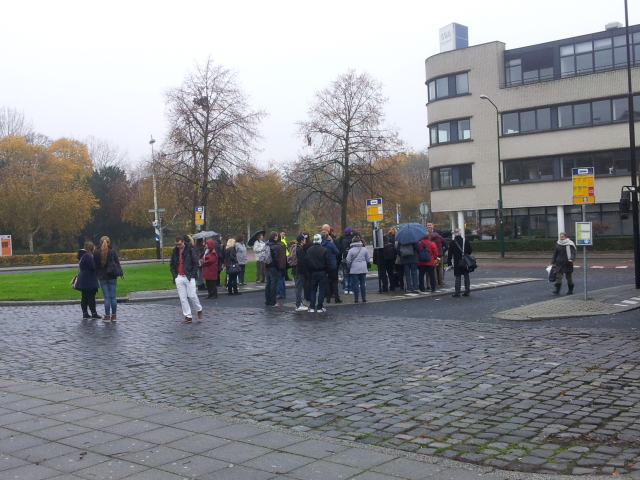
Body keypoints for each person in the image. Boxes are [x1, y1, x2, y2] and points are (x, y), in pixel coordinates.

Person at [170, 235, 203, 323]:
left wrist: (191, 274)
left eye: (179, 244)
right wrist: (175, 275)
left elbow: (196, 263)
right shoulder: (175, 252)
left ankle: (199, 309)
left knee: (192, 295)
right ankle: (188, 316)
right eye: (176, 244)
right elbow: (172, 264)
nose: (178, 246)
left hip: (188, 276)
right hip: (179, 276)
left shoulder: (190, 250)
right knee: (183, 298)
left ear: (183, 242)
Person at [93, 236, 124, 322]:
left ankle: (107, 316)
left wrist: (96, 275)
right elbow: (117, 263)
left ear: (100, 242)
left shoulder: (96, 252)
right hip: (112, 276)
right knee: (113, 297)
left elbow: (95, 266)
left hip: (102, 277)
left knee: (106, 297)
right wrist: (121, 273)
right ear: (109, 242)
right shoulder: (112, 251)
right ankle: (114, 316)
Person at [306, 233, 331, 313]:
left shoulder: (309, 250)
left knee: (313, 290)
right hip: (322, 272)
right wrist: (328, 271)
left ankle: (312, 307)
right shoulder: (324, 250)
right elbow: (328, 262)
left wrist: (309, 271)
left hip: (313, 272)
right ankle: (320, 307)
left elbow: (307, 262)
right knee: (321, 290)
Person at [76, 243, 101, 320]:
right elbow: (93, 267)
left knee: (84, 297)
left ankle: (85, 313)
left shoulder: (83, 256)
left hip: (83, 278)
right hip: (89, 278)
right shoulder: (88, 256)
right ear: (91, 249)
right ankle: (94, 313)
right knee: (91, 297)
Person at [345, 234, 371, 303]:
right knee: (363, 283)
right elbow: (368, 259)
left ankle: (356, 299)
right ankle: (364, 298)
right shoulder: (364, 249)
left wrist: (349, 265)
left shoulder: (351, 250)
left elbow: (348, 260)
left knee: (355, 283)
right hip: (363, 268)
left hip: (354, 268)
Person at [447, 229, 473, 297]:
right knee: (466, 275)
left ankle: (457, 292)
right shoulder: (465, 241)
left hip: (457, 261)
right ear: (460, 234)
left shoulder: (452, 243)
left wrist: (449, 262)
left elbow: (450, 253)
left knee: (457, 276)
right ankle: (467, 290)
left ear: (454, 235)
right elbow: (470, 250)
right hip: (465, 261)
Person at [321, 230, 342, 304]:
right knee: (334, 281)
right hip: (332, 265)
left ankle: (328, 298)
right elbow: (337, 252)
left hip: (323, 265)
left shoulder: (320, 245)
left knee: (326, 282)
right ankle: (336, 297)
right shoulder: (330, 244)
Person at [264, 231, 281, 307]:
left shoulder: (267, 245)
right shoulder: (275, 246)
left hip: (267, 265)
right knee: (273, 284)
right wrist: (278, 267)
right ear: (275, 237)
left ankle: (267, 300)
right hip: (273, 266)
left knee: (268, 283)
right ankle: (273, 301)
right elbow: (276, 258)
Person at [291, 234, 308, 311]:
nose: (305, 240)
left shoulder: (295, 247)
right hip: (299, 271)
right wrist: (305, 272)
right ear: (301, 240)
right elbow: (302, 262)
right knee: (299, 287)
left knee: (298, 286)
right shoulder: (300, 249)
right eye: (304, 239)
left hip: (295, 270)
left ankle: (299, 303)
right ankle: (298, 304)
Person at [337, 227, 354, 294]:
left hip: (344, 258)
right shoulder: (352, 240)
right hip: (352, 259)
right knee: (351, 274)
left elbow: (341, 249)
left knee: (345, 274)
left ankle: (345, 288)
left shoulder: (342, 240)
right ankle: (351, 288)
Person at [276, 232, 288, 299]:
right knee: (282, 279)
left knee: (279, 279)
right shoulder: (282, 244)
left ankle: (280, 293)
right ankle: (283, 292)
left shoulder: (277, 245)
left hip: (279, 264)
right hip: (283, 263)